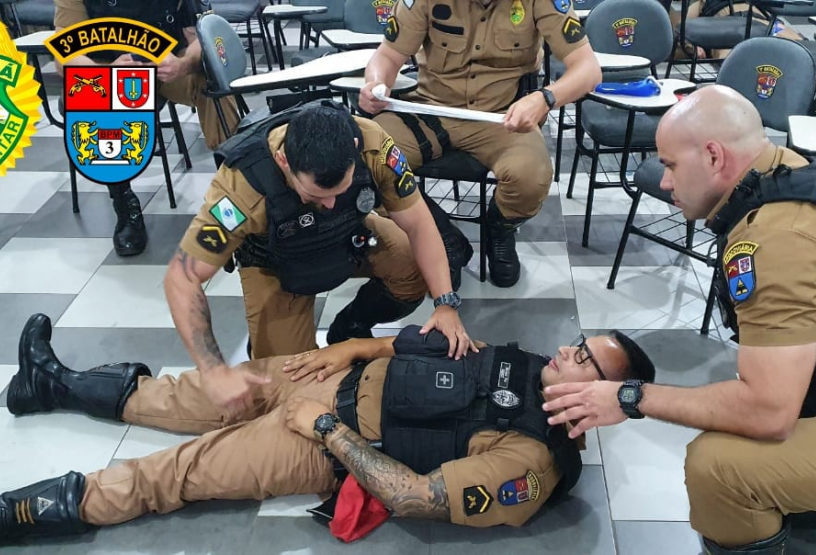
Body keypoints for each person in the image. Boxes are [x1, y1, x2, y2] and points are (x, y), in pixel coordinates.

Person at [543, 85, 816, 554]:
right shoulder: (799, 173)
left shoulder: (776, 240)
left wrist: (629, 395)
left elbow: (768, 412)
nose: (663, 181)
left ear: (715, 157)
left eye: (672, 165)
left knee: (717, 466)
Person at [0, 313, 655, 543]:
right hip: (326, 376)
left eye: (585, 360)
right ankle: (46, 383)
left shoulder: (530, 464)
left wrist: (324, 429)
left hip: (323, 439)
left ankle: (23, 513)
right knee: (190, 392)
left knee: (178, 472)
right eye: (577, 344)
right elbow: (430, 357)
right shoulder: (534, 366)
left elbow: (412, 496)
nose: (566, 353)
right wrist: (352, 350)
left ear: (602, 394)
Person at [164, 100, 474, 418]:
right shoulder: (242, 185)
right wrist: (213, 371)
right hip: (276, 263)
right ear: (284, 162)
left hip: (349, 236)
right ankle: (267, 344)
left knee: (415, 268)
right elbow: (182, 278)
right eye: (315, 195)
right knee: (289, 380)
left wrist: (445, 304)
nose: (329, 204)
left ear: (353, 149)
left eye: (341, 191)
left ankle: (350, 327)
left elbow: (420, 223)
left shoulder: (372, 143)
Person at [359, 0, 601, 287]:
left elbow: (589, 70)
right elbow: (387, 55)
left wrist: (545, 97)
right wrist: (376, 84)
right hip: (430, 110)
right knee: (365, 160)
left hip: (501, 117)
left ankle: (500, 228)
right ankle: (441, 237)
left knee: (531, 176)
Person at [53, 0, 241, 256]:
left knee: (213, 81)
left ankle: (238, 191)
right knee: (95, 97)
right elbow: (64, 55)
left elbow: (201, 35)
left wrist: (183, 64)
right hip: (109, 70)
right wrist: (105, 72)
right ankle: (124, 203)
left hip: (170, 66)